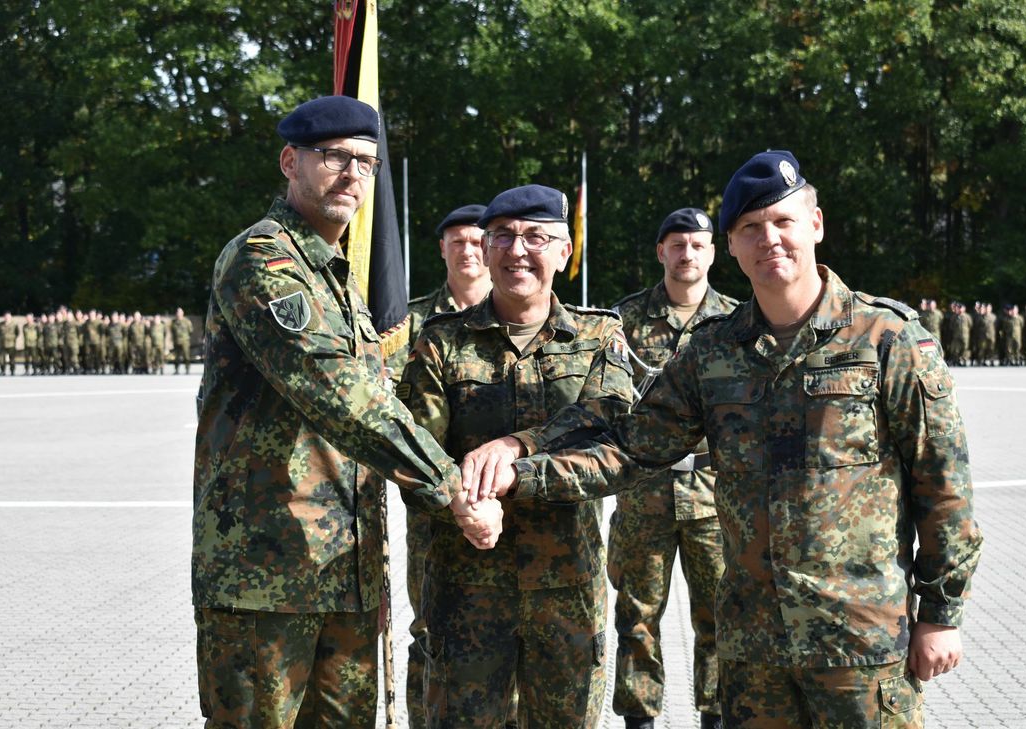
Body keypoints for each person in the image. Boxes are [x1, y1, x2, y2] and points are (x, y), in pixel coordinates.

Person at [469, 151, 983, 727]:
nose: (770, 240)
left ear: (815, 224)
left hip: (859, 646)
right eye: (750, 229)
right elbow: (632, 447)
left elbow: (942, 485)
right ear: (732, 247)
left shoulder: (889, 340)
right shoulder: (713, 354)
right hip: (754, 654)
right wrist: (523, 467)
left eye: (783, 222)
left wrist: (941, 611)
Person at [192, 95, 503, 728]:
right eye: (334, 158)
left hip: (344, 568)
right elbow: (339, 394)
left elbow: (383, 390)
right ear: (290, 162)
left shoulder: (334, 275)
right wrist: (451, 488)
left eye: (366, 162)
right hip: (265, 573)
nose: (352, 174)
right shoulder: (265, 260)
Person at [397, 184, 634, 728]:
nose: (517, 250)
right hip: (465, 588)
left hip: (567, 588)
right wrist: (461, 500)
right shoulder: (441, 343)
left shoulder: (599, 336)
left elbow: (614, 445)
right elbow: (416, 452)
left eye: (535, 237)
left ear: (564, 251)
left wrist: (516, 466)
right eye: (501, 236)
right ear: (484, 246)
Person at [608, 207, 736, 729]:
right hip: (646, 492)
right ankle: (640, 719)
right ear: (661, 251)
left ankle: (717, 716)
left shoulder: (737, 321)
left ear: (713, 252)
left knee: (720, 619)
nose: (688, 254)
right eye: (677, 245)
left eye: (698, 245)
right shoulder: (623, 320)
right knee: (637, 618)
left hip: (714, 495)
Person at [393, 202, 492, 729]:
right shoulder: (407, 322)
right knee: (431, 631)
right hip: (433, 510)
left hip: (503, 503)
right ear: (442, 249)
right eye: (459, 243)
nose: (470, 252)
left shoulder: (520, 315)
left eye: (479, 242)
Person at [171, 307, 194, 374]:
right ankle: (176, 370)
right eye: (177, 312)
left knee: (186, 356)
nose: (179, 314)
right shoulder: (173, 322)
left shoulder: (187, 321)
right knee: (176, 357)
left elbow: (190, 331)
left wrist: (185, 338)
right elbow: (172, 331)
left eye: (180, 312)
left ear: (183, 313)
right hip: (177, 341)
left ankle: (187, 369)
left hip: (185, 341)